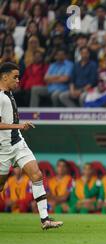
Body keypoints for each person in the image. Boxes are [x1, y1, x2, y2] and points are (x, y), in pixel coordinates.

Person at [0, 62, 62, 229]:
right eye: (15, 77)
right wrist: (19, 126)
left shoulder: (10, 95)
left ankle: (45, 220)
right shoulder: (0, 97)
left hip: (18, 143)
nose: (18, 80)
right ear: (4, 77)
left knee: (36, 175)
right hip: (3, 149)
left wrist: (18, 129)